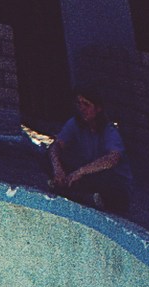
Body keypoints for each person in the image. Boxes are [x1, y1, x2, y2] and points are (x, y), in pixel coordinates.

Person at [47, 87, 131, 215]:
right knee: (47, 157)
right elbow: (56, 146)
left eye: (86, 104)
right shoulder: (75, 123)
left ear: (98, 108)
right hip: (87, 173)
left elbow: (112, 158)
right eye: (79, 104)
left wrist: (81, 171)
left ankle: (90, 197)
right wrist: (57, 169)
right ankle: (75, 191)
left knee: (108, 182)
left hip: (108, 178)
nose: (82, 109)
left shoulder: (109, 130)